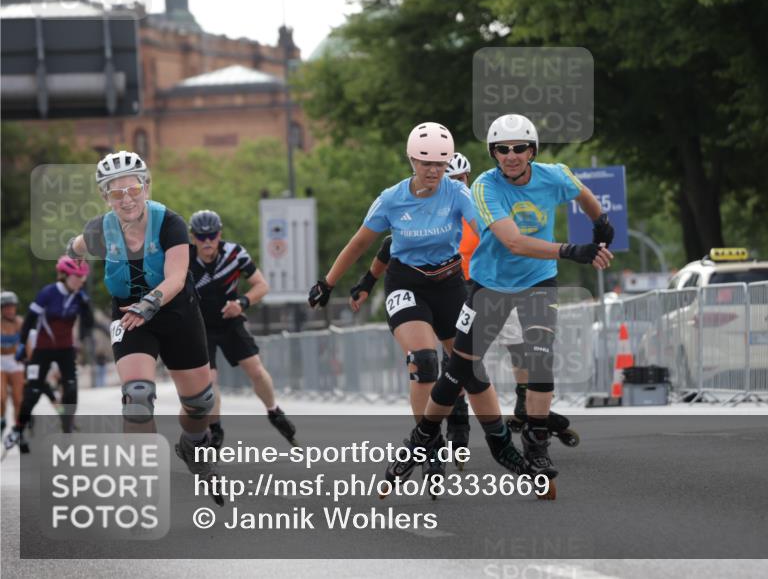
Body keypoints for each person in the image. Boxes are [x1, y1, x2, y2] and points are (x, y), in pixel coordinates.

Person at [387, 114, 614, 499]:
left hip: (539, 281)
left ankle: (537, 448)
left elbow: (583, 194)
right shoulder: (483, 187)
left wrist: (602, 224)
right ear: (493, 153)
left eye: (519, 148)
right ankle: (422, 437)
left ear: (533, 150)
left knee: (541, 359)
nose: (511, 156)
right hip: (489, 284)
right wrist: (574, 250)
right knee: (459, 371)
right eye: (502, 150)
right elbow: (513, 242)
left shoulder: (554, 175)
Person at [310, 122, 531, 485]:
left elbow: (490, 232)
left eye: (441, 165)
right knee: (424, 360)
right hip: (407, 284)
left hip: (450, 285)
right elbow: (360, 244)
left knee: (469, 370)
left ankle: (501, 443)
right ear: (411, 159)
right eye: (425, 163)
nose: (433, 171)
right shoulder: (391, 199)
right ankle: (429, 444)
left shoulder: (458, 195)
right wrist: (328, 282)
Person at [60, 150, 222, 501]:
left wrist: (151, 302)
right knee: (137, 397)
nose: (127, 199)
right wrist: (70, 255)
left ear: (146, 186)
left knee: (200, 402)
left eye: (133, 189)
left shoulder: (170, 223)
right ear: (106, 197)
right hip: (130, 317)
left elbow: (177, 276)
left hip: (176, 311)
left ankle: (193, 445)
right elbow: (75, 246)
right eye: (116, 193)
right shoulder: (100, 229)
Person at [348, 152, 475, 465]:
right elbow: (388, 248)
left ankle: (459, 424)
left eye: (460, 179)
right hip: (421, 285)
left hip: (465, 286)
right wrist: (366, 282)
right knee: (427, 361)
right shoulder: (418, 208)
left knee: (460, 363)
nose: (453, 184)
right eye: (451, 178)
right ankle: (430, 440)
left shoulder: (471, 206)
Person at [188, 209, 296, 448]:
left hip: (230, 319)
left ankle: (274, 411)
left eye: (212, 235)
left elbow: (261, 285)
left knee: (256, 370)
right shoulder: (184, 259)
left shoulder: (234, 254)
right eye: (201, 236)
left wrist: (242, 303)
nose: (207, 242)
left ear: (220, 234)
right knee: (209, 379)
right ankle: (215, 430)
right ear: (192, 237)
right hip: (201, 326)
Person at [3, 258, 94, 452]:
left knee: (71, 390)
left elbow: (89, 323)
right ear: (65, 275)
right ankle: (18, 429)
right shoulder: (48, 293)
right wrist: (22, 345)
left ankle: (67, 431)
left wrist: (86, 306)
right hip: (43, 350)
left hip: (66, 350)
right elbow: (29, 320)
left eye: (83, 277)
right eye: (77, 276)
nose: (81, 280)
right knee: (32, 394)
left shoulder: (80, 296)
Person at [1, 292, 25, 435]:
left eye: (12, 307)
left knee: (18, 399)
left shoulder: (20, 323)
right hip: (1, 362)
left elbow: (27, 343)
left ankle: (18, 429)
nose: (10, 310)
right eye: (6, 308)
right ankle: (1, 419)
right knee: (1, 397)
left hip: (16, 361)